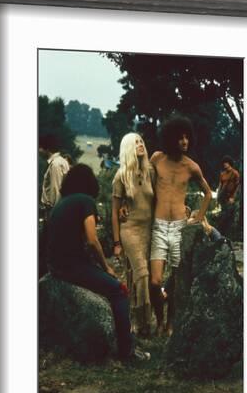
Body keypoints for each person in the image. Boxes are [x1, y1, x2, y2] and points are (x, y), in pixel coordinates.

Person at [47, 163, 150, 362]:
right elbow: (92, 240)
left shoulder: (63, 202)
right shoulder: (85, 201)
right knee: (119, 291)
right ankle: (127, 351)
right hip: (71, 266)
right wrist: (106, 267)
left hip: (56, 266)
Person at [150, 114, 212, 336]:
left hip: (179, 228)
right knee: (155, 282)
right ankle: (158, 319)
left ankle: (170, 324)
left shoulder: (192, 167)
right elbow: (142, 185)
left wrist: (197, 217)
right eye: (180, 138)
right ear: (170, 138)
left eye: (187, 138)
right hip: (157, 226)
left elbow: (208, 193)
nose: (184, 142)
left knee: (176, 282)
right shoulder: (157, 159)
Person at [111, 133, 156, 337]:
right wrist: (116, 242)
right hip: (129, 229)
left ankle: (138, 322)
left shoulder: (150, 172)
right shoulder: (120, 176)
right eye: (136, 142)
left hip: (148, 230)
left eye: (141, 141)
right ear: (128, 147)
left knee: (138, 277)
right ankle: (142, 324)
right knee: (142, 274)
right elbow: (114, 211)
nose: (140, 144)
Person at [39, 134, 70, 215]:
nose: (39, 151)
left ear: (47, 149)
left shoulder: (55, 164)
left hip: (53, 210)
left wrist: (54, 213)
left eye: (40, 148)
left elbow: (56, 189)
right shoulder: (60, 161)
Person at [216, 156, 240, 237]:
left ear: (230, 163)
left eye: (226, 163)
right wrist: (218, 196)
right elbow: (220, 185)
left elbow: (237, 186)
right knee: (223, 215)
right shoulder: (222, 174)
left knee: (229, 216)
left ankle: (228, 235)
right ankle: (221, 234)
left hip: (230, 197)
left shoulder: (235, 173)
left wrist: (233, 197)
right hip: (223, 197)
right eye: (224, 163)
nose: (224, 165)